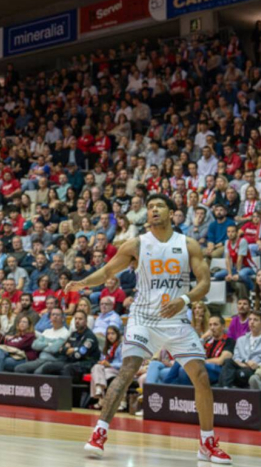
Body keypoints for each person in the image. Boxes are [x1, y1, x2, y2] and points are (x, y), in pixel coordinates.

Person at [67, 193, 230, 463]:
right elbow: (107, 272)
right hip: (143, 317)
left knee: (200, 376)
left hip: (176, 319)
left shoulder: (187, 244)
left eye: (159, 206)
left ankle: (207, 443)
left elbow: (204, 283)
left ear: (171, 212)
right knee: (128, 368)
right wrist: (83, 282)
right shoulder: (137, 244)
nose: (153, 210)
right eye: (150, 207)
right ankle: (99, 433)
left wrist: (185, 300)